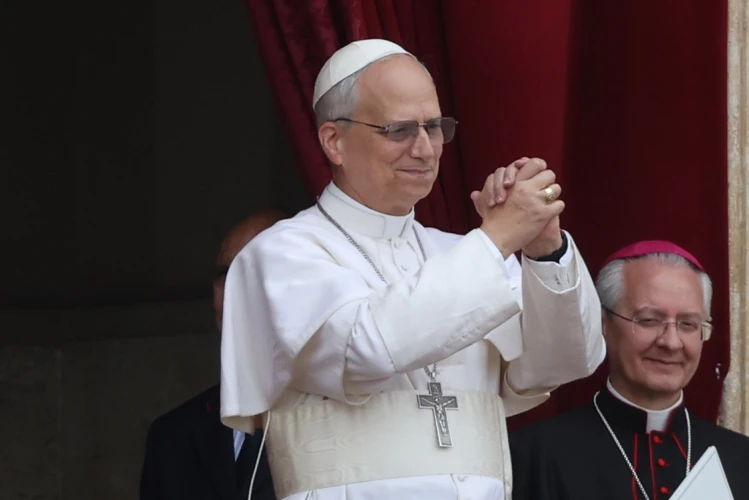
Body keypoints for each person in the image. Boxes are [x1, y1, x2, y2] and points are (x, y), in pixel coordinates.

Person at [220, 39, 606, 500]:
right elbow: (365, 349)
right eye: (399, 129)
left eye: (434, 127)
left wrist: (544, 248)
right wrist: (499, 238)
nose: (424, 149)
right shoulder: (282, 254)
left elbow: (568, 361)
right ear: (334, 141)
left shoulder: (463, 254)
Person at [510, 240, 749, 500]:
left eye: (688, 324)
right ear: (605, 323)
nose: (671, 343)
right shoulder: (533, 459)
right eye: (648, 320)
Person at [140, 209, 284, 500]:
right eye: (224, 275)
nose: (233, 292)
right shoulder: (173, 437)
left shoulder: (355, 417)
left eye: (253, 271)